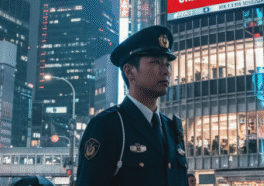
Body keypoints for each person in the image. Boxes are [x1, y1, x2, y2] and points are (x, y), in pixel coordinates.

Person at [76, 25, 188, 186]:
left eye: (167, 64)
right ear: (130, 72)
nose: (166, 71)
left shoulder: (171, 128)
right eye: (156, 62)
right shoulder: (108, 125)